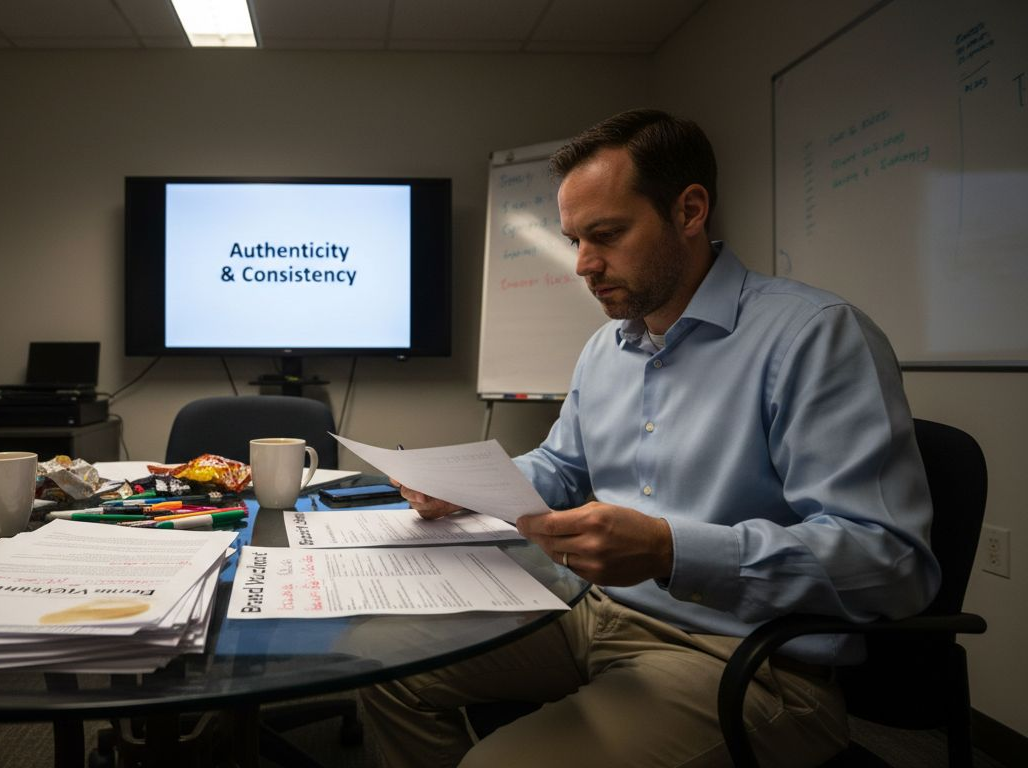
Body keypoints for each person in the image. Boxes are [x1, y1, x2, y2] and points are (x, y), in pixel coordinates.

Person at [364, 109, 941, 768]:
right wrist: (461, 488)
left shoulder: (816, 337)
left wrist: (671, 549)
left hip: (746, 661)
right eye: (575, 239)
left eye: (605, 235)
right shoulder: (606, 348)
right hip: (594, 612)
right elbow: (558, 467)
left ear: (690, 211)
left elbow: (891, 563)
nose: (583, 264)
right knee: (383, 667)